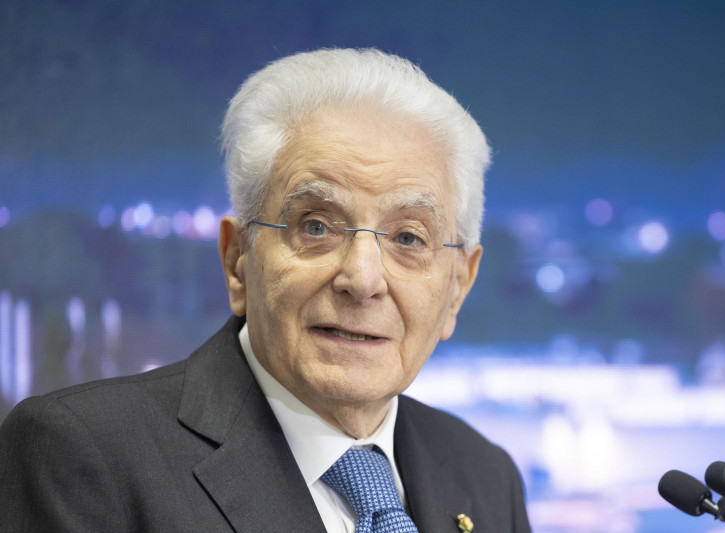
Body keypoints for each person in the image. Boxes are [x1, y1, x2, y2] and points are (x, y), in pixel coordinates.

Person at [0, 48, 531, 532]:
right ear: (237, 259)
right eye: (317, 226)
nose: (363, 280)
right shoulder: (84, 456)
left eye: (408, 238)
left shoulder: (486, 476)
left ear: (458, 286)